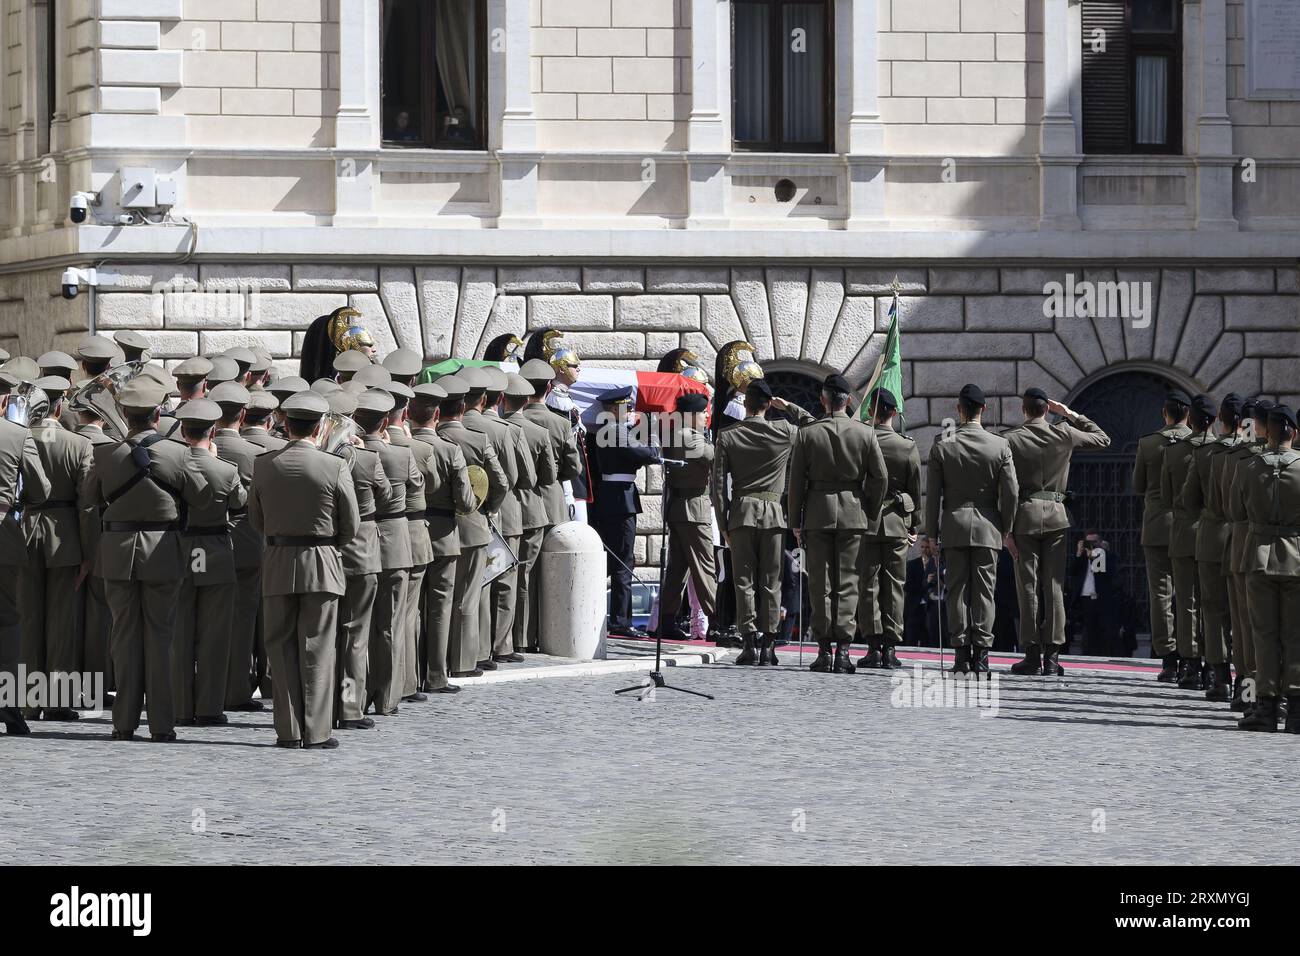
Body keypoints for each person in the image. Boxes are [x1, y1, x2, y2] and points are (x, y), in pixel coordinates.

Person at [80, 377, 214, 742]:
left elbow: (90, 496)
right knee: (161, 636)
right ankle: (161, 724)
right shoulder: (178, 453)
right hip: (163, 550)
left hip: (119, 550)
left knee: (123, 635)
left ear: (124, 413)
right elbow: (202, 499)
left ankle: (122, 722)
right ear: (158, 414)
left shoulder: (106, 454)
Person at [250, 390, 359, 749]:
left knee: (279, 649)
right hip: (322, 562)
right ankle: (316, 731)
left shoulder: (264, 464)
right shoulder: (335, 465)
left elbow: (257, 520)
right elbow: (351, 525)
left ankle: (288, 730)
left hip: (279, 562)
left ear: (286, 423)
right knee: (318, 648)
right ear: (319, 427)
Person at [1003, 387, 1110, 676]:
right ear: (1047, 410)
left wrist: (1005, 529)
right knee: (1054, 586)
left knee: (1027, 586)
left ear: (1023, 410)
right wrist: (1071, 414)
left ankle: (1030, 654)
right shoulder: (1064, 432)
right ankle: (1052, 656)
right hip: (1056, 519)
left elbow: (1005, 487)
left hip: (1023, 518)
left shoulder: (1010, 439)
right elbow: (1103, 438)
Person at [788, 373, 888, 674]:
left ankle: (824, 650)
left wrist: (796, 520)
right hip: (853, 513)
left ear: (823, 400)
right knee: (848, 583)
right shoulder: (865, 433)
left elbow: (796, 483)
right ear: (847, 401)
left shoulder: (807, 434)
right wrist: (869, 510)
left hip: (818, 514)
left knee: (820, 582)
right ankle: (844, 650)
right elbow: (880, 478)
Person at [712, 378, 814, 664]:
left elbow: (718, 485)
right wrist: (789, 406)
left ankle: (748, 644)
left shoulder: (728, 435)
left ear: (745, 404)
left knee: (743, 581)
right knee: (772, 582)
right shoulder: (785, 431)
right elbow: (815, 426)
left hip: (741, 515)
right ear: (768, 405)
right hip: (773, 515)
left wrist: (722, 523)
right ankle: (769, 646)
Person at [924, 383, 1018, 675]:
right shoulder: (999, 445)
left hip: (953, 524)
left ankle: (961, 655)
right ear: (984, 410)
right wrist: (1006, 526)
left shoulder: (943, 443)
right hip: (988, 526)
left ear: (959, 409)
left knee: (957, 591)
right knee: (984, 593)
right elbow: (1012, 492)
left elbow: (933, 494)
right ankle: (983, 656)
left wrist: (931, 532)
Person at [19, 376, 93, 720]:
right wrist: (88, 553)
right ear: (60, 406)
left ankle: (29, 702)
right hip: (65, 536)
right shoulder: (79, 445)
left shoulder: (20, 437)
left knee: (28, 618)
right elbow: (87, 506)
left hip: (26, 529)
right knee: (62, 622)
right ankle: (58, 701)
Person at [170, 399, 246, 727]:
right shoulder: (226, 470)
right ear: (212, 430)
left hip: (180, 549)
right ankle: (209, 706)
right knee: (215, 636)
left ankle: (180, 707)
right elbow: (240, 502)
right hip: (215, 550)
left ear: (183, 430)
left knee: (179, 633)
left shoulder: (170, 464)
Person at [1232, 404, 1300, 733]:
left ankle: (1267, 707)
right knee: (1295, 635)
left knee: (1264, 635)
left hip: (1258, 555)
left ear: (1267, 433)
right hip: (1297, 557)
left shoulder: (1247, 467)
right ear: (1295, 433)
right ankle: (1297, 709)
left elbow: (1235, 510)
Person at [326, 389, 390, 728]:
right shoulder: (365, 459)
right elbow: (389, 494)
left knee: (323, 635)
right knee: (355, 634)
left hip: (326, 552)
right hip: (363, 551)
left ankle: (321, 707)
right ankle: (350, 707)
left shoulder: (321, 458)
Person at [436, 374, 507, 676]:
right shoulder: (478, 440)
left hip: (434, 527)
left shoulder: (431, 437)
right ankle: (463, 661)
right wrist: (486, 508)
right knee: (467, 595)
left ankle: (434, 662)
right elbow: (501, 482)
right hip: (472, 523)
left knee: (436, 599)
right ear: (463, 407)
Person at [353, 388, 417, 716]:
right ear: (385, 422)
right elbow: (420, 487)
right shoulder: (401, 454)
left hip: (360, 541)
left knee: (358, 625)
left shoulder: (348, 454)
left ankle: (357, 693)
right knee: (390, 624)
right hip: (394, 541)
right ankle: (387, 697)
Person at [408, 382, 475, 691]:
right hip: (444, 533)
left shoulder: (402, 447)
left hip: (410, 532)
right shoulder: (450, 450)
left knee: (409, 609)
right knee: (439, 607)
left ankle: (407, 676)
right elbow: (465, 500)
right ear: (437, 415)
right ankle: (436, 675)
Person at [464, 367, 532, 665]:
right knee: (504, 578)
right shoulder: (505, 430)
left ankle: (474, 650)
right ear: (497, 398)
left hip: (466, 512)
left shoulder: (445, 426)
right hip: (502, 510)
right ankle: (500, 645)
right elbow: (517, 477)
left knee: (476, 583)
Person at [209, 382, 270, 713]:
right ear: (243, 415)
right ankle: (234, 689)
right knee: (242, 622)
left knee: (200, 620)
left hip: (200, 544)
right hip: (245, 544)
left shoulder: (189, 448)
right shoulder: (256, 454)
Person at [1180, 393, 1245, 702]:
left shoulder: (1207, 454)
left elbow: (1188, 499)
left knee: (1213, 610)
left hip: (1210, 536)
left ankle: (1219, 679)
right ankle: (1248, 683)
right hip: (1243, 539)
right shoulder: (1251, 454)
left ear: (1221, 419)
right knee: (1244, 613)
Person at [0, 369, 51, 735]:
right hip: (4, 537)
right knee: (7, 622)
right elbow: (42, 489)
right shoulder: (18, 436)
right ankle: (9, 707)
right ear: (4, 400)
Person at [589, 386, 661, 639]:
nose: (630, 411)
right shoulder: (616, 432)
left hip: (614, 496)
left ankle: (613, 617)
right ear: (612, 409)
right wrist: (652, 437)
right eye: (626, 407)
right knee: (623, 561)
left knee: (615, 560)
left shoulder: (610, 431)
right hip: (620, 499)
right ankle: (620, 620)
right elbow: (647, 454)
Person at [857, 388, 921, 669]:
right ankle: (891, 647)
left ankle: (873, 646)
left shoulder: (862, 441)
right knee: (895, 586)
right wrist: (914, 523)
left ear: (871, 411)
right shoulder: (907, 445)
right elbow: (915, 489)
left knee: (869, 585)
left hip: (867, 521)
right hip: (897, 522)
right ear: (894, 413)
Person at [1132, 389, 1192, 682]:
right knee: (1189, 592)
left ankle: (1168, 658)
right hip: (1188, 525)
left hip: (1156, 524)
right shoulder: (1199, 445)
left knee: (1160, 593)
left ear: (1164, 414)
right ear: (1188, 416)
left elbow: (1138, 485)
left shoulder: (1148, 443)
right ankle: (1191, 654)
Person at [1216, 398, 1270, 710]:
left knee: (1246, 627)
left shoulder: (1237, 458)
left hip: (1244, 544)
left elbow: (1230, 507)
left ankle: (1250, 693)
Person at [1160, 393, 1216, 689]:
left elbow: (1168, 498)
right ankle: (1213, 665)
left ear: (1190, 420)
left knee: (1186, 602)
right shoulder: (1221, 451)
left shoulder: (1175, 451)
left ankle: (1191, 665)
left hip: (1183, 532)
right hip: (1213, 535)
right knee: (1213, 602)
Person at [500, 373, 556, 656]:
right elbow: (548, 476)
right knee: (526, 576)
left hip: (504, 510)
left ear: (504, 399)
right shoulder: (540, 432)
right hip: (532, 510)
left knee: (503, 576)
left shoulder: (496, 428)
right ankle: (523, 636)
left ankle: (505, 638)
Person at [657, 392, 717, 642]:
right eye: (703, 412)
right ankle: (718, 620)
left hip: (681, 509)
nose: (706, 416)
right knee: (705, 567)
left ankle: (667, 620)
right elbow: (714, 457)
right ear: (691, 415)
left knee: (677, 569)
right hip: (693, 509)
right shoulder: (688, 437)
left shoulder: (677, 433)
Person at [1070, 531, 1122, 656]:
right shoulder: (1082, 557)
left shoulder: (1106, 556)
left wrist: (1095, 557)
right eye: (1089, 542)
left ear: (1100, 543)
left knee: (1104, 629)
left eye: (1094, 542)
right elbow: (1072, 571)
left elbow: (1105, 574)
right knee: (1088, 629)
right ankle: (1088, 653)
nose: (1091, 545)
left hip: (1101, 598)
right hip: (1085, 598)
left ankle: (1103, 654)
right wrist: (1079, 552)